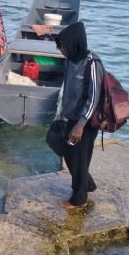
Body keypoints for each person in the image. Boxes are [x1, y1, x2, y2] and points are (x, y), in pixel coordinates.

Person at [54, 21, 103, 211]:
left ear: (75, 44)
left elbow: (94, 97)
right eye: (60, 47)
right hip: (70, 116)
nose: (62, 51)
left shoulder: (92, 63)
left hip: (86, 121)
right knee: (66, 152)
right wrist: (61, 113)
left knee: (80, 158)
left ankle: (79, 198)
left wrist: (81, 124)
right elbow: (66, 89)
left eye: (64, 47)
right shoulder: (70, 61)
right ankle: (87, 183)